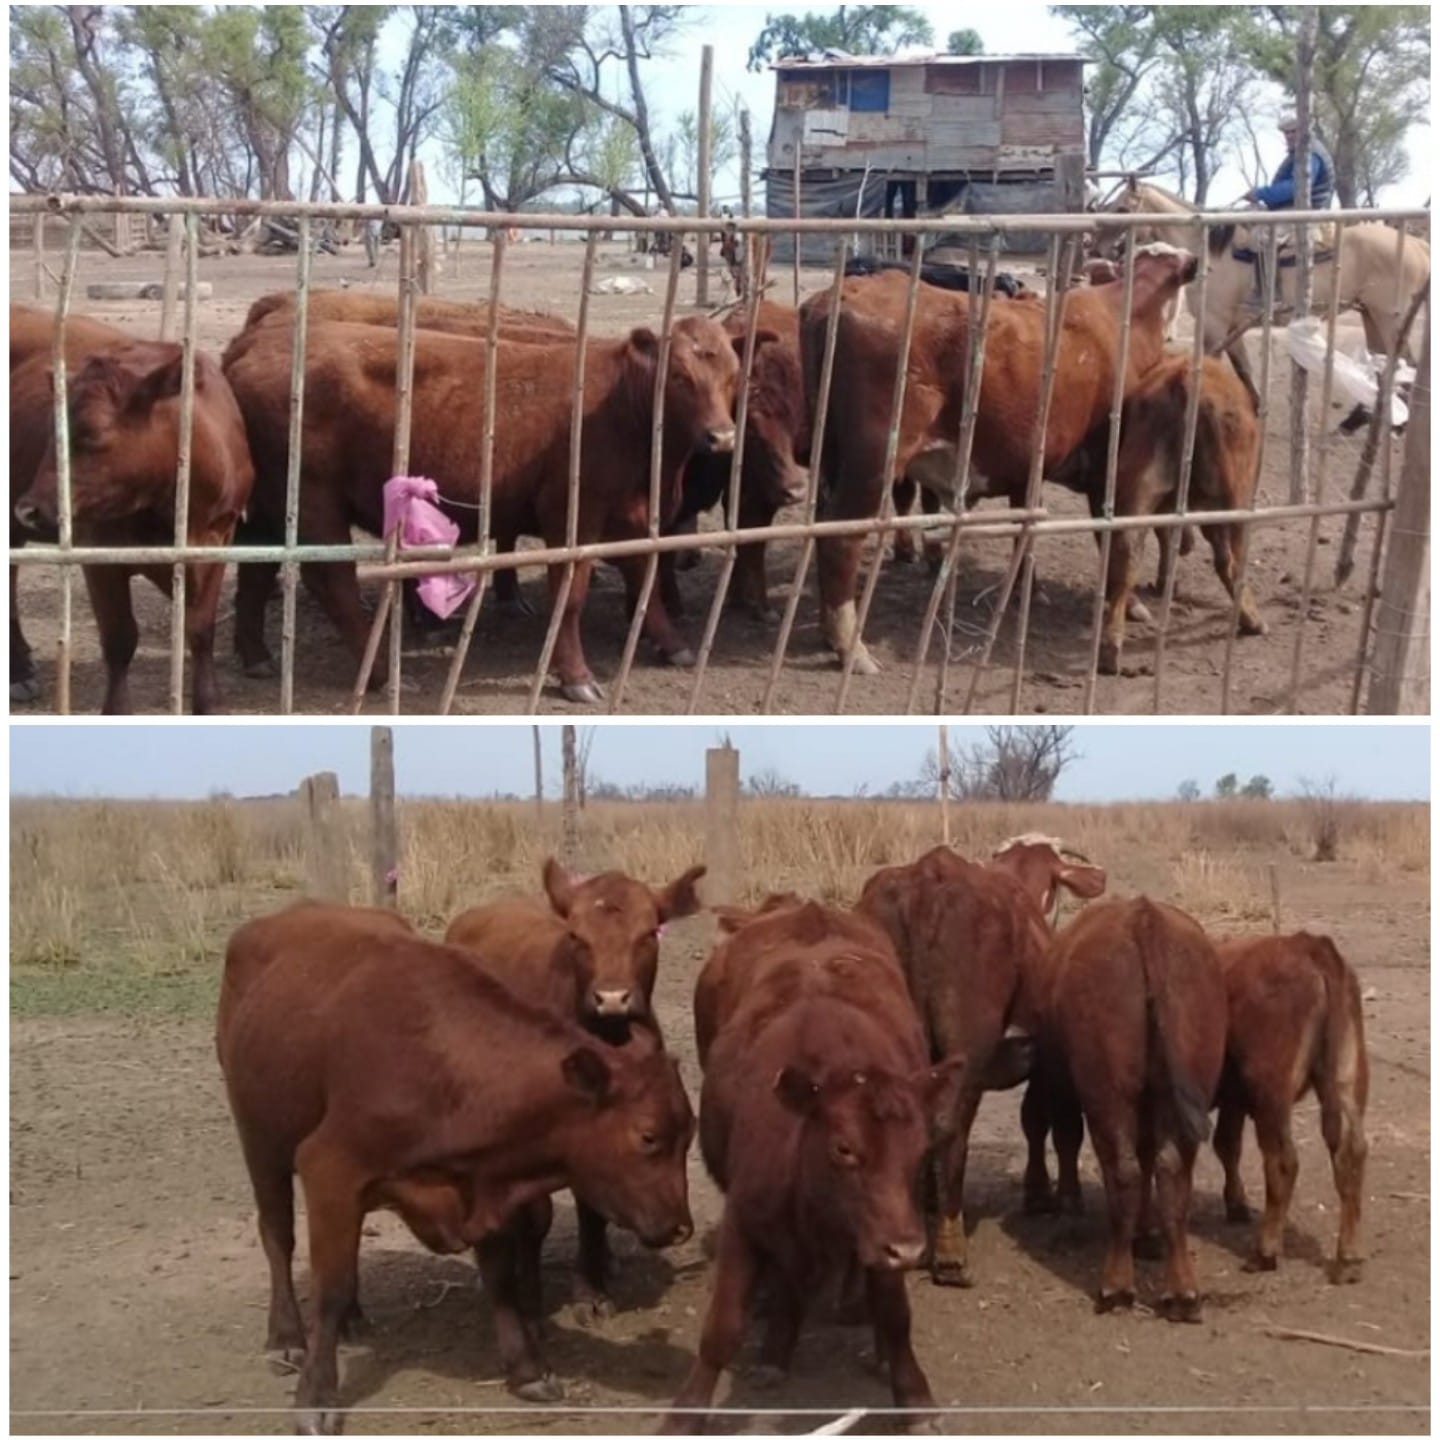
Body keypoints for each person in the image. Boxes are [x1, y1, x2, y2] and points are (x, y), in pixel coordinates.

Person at [1246, 114, 1335, 211]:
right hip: (1294, 208)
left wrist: (1260, 193)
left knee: (1254, 221)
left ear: (1305, 131)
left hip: (1309, 211)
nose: (1289, 136)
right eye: (1286, 133)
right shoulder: (1298, 153)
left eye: (1294, 131)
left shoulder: (1310, 154)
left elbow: (1296, 187)